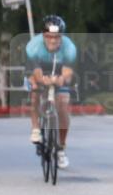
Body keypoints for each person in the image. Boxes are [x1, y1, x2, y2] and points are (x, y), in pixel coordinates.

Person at [26, 15, 77, 169]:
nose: (53, 41)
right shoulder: (33, 47)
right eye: (49, 37)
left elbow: (67, 73)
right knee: (35, 93)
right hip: (38, 70)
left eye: (56, 37)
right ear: (43, 35)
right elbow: (35, 72)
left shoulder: (69, 48)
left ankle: (61, 148)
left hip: (59, 70)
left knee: (62, 104)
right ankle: (36, 128)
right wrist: (42, 81)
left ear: (62, 36)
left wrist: (61, 79)